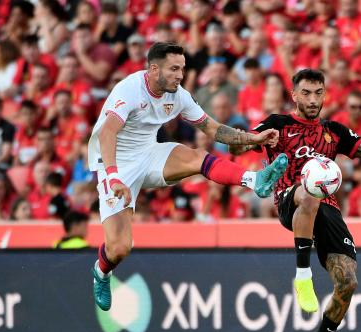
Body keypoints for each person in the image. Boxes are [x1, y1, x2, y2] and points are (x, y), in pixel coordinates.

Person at [90, 42, 286, 312]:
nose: (180, 75)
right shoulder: (129, 89)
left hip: (149, 153)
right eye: (174, 69)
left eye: (182, 68)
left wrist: (253, 138)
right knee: (119, 249)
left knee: (197, 157)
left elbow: (213, 129)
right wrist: (113, 177)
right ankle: (101, 273)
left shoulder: (178, 95)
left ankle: (255, 180)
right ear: (153, 69)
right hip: (115, 164)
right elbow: (107, 133)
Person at [234, 69, 361, 332]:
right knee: (309, 193)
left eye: (318, 93)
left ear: (325, 94)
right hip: (289, 199)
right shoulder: (278, 125)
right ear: (294, 95)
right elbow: (236, 146)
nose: (312, 99)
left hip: (328, 207)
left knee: (348, 283)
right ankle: (302, 276)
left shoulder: (335, 131)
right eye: (306, 93)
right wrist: (254, 138)